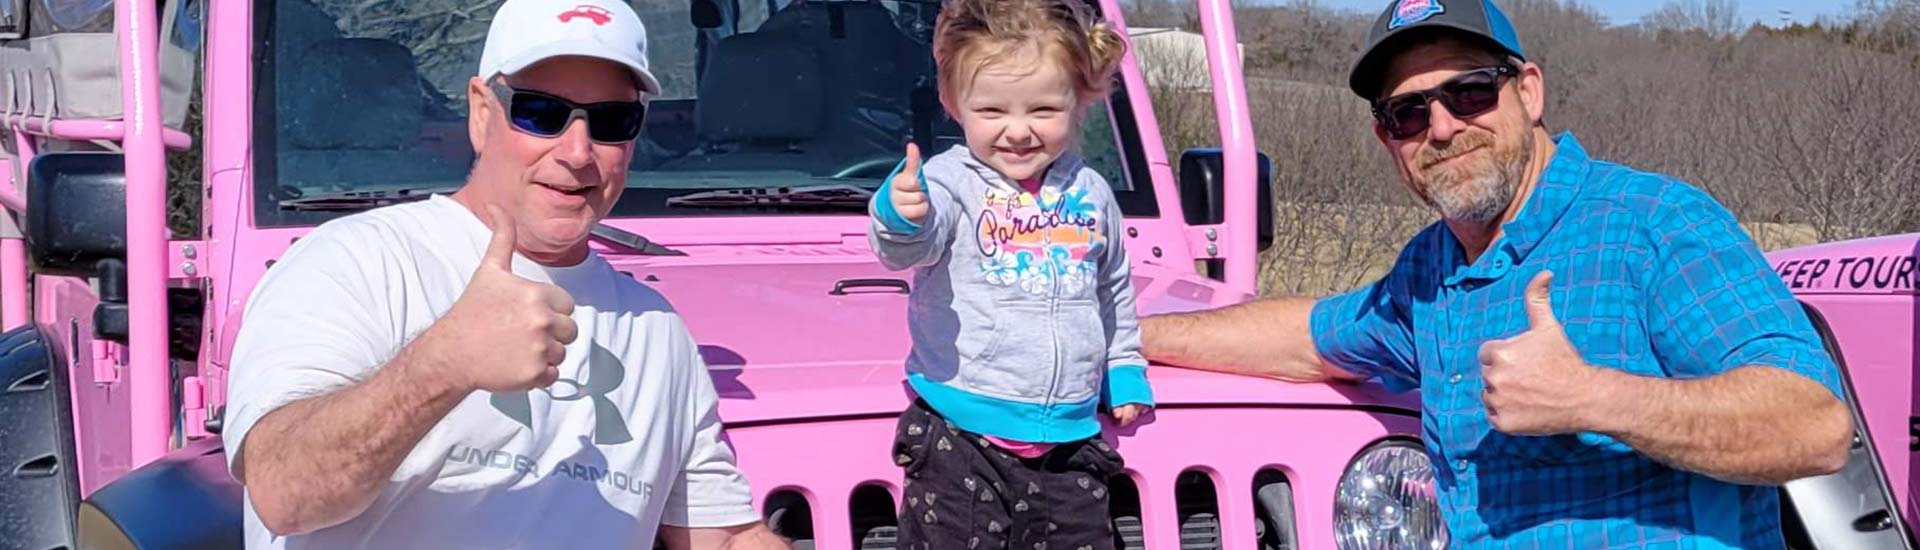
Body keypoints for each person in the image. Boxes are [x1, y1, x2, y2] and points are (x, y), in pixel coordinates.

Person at [1140, 0, 1854, 547]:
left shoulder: (1653, 223)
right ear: (1386, 137)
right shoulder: (1430, 270)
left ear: (1529, 92)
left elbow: (1813, 426)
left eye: (1471, 91)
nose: (1442, 127)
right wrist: (1126, 333)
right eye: (1407, 112)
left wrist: (1596, 398)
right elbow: (1307, 337)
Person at [219, 0, 787, 548]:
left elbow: (724, 537)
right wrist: (444, 364)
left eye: (613, 120)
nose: (578, 151)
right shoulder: (356, 262)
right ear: (482, 112)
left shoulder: (656, 328)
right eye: (540, 112)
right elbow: (282, 492)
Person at [865, 0, 1151, 547]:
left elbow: (1111, 288)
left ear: (1079, 99)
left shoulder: (1091, 193)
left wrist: (1124, 367)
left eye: (1042, 110)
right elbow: (909, 251)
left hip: (1070, 439)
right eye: (993, 112)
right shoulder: (949, 182)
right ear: (954, 103)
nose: (1018, 132)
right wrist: (901, 216)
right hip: (961, 435)